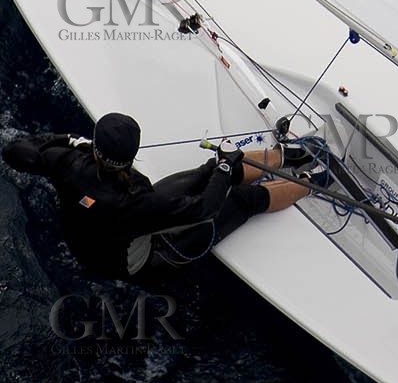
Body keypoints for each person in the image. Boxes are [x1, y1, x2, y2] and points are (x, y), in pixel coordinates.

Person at [2, 111, 322, 280]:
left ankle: (287, 157)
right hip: (139, 261)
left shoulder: (65, 162)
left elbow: (15, 151)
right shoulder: (138, 201)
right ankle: (315, 181)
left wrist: (70, 141)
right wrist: (225, 169)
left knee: (205, 173)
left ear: (95, 147)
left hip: (95, 237)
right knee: (239, 198)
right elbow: (205, 210)